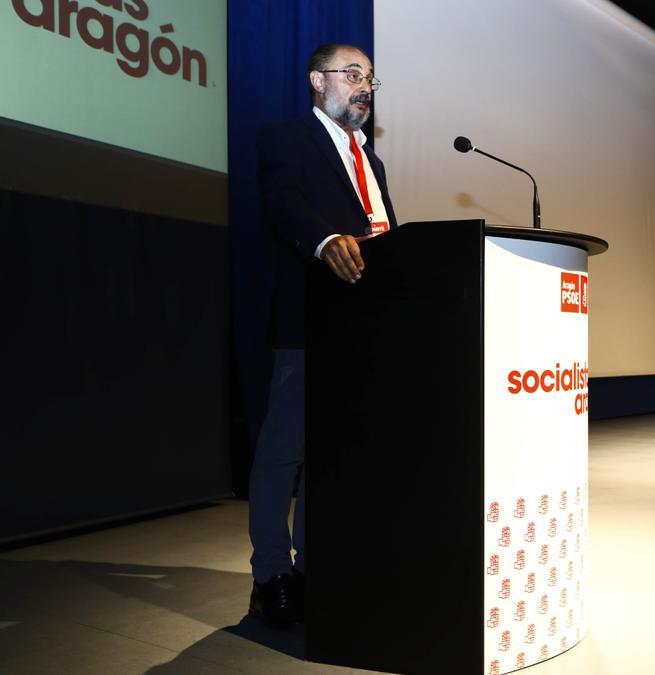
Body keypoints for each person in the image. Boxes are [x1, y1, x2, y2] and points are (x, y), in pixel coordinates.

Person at [249, 43, 398, 626]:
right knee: (283, 453)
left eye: (369, 79)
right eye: (352, 75)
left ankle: (313, 565)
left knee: (329, 456)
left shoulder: (373, 162)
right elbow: (283, 205)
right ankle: (272, 575)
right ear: (318, 80)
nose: (363, 86)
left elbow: (384, 235)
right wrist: (324, 239)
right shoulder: (285, 138)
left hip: (363, 329)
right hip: (309, 319)